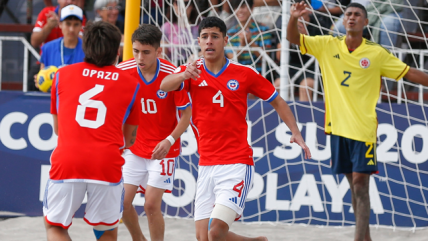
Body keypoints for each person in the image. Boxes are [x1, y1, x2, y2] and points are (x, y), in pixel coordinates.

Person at [161, 16, 311, 241]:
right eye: (204, 37)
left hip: (236, 164)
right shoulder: (191, 71)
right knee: (204, 238)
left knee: (215, 231)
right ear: (199, 42)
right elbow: (164, 86)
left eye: (214, 37)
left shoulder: (243, 73)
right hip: (206, 166)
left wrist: (296, 132)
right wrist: (183, 75)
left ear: (225, 40)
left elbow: (277, 100)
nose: (209, 41)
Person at [287, 2, 428, 241]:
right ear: (344, 21)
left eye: (357, 15)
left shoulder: (376, 53)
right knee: (354, 184)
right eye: (348, 14)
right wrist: (293, 18)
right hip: (336, 128)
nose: (351, 17)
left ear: (365, 22)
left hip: (363, 129)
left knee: (361, 183)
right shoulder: (327, 44)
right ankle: (366, 237)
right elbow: (294, 39)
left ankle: (358, 239)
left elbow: (410, 73)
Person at [44, 21, 141, 241]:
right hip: (106, 162)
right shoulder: (131, 83)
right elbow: (130, 139)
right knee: (106, 230)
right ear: (117, 51)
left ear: (84, 47)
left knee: (55, 227)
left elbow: (58, 129)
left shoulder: (61, 75)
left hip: (68, 160)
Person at [117, 24, 192, 241]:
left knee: (151, 204)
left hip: (163, 148)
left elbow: (186, 116)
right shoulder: (124, 70)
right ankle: (138, 238)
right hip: (134, 146)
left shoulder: (172, 75)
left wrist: (169, 140)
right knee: (121, 202)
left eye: (146, 52)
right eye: (136, 51)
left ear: (159, 51)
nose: (139, 57)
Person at [274, 9, 322, 101]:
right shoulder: (285, 26)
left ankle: (305, 115)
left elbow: (320, 54)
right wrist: (289, 39)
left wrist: (305, 36)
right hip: (289, 67)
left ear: (309, 10)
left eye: (302, 13)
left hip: (311, 69)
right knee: (277, 85)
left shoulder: (318, 26)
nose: (299, 16)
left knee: (305, 87)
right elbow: (279, 58)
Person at [35, 4, 85, 91]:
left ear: (81, 26)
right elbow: (42, 73)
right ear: (60, 24)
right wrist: (39, 80)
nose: (71, 29)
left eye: (76, 24)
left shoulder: (88, 50)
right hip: (53, 100)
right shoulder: (48, 48)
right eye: (68, 24)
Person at [225, 0, 272, 74]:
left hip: (258, 74)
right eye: (237, 7)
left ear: (252, 8)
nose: (240, 10)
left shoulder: (263, 29)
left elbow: (265, 58)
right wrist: (242, 44)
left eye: (243, 7)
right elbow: (232, 60)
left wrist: (250, 41)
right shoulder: (230, 32)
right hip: (237, 75)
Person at [161, 0, 200, 64]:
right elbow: (163, 55)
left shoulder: (200, 24)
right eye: (178, 3)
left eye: (186, 3)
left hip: (196, 63)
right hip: (174, 65)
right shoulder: (166, 27)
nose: (182, 6)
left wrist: (195, 56)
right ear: (174, 5)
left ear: (192, 6)